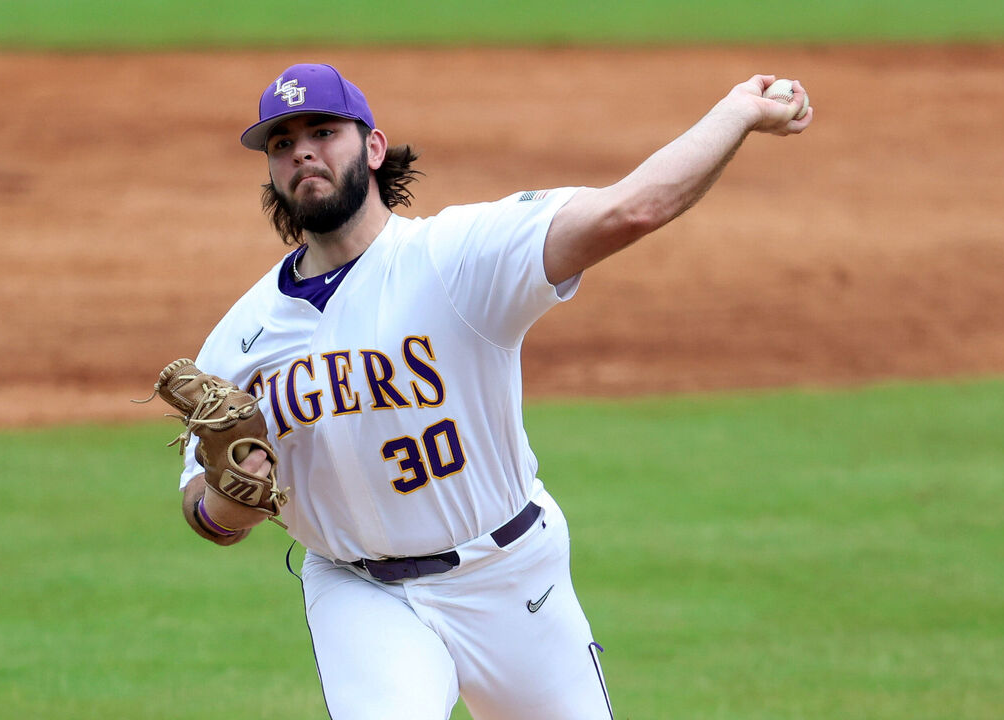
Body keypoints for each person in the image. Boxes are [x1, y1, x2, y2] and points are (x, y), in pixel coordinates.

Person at [176, 62, 812, 720]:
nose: (302, 150)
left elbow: (633, 208)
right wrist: (230, 497)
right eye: (282, 143)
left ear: (372, 147)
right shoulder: (240, 339)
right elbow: (207, 513)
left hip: (509, 578)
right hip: (359, 594)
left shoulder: (456, 258)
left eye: (323, 131)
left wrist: (737, 112)